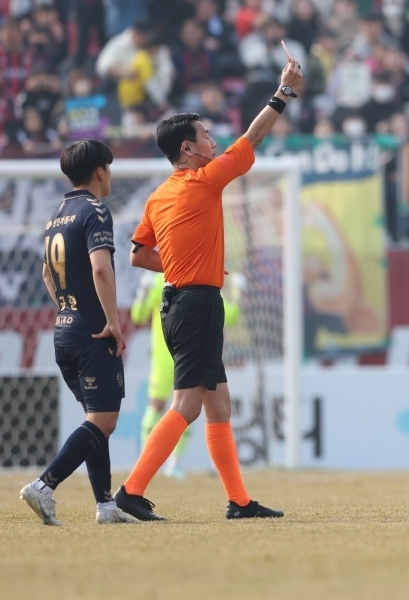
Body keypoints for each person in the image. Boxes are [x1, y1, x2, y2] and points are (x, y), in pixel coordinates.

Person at [114, 59, 303, 521]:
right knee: (188, 405)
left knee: (220, 404)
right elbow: (253, 138)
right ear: (188, 148)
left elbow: (138, 253)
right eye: (206, 137)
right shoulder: (203, 181)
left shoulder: (159, 195)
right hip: (196, 303)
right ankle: (130, 492)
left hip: (183, 301)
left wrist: (178, 266)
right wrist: (283, 93)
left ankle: (239, 501)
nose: (215, 143)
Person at [19, 140, 137, 526]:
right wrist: (112, 322)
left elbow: (44, 273)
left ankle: (105, 505)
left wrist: (68, 310)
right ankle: (44, 485)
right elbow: (101, 269)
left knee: (95, 417)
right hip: (92, 331)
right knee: (103, 420)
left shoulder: (59, 213)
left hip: (64, 329)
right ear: (101, 171)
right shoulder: (95, 211)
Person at [132, 272, 242, 478]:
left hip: (179, 356)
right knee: (175, 407)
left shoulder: (198, 280)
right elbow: (138, 316)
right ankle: (149, 463)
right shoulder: (168, 281)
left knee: (184, 408)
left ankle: (170, 463)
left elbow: (231, 316)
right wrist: (142, 292)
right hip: (173, 357)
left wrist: (236, 294)